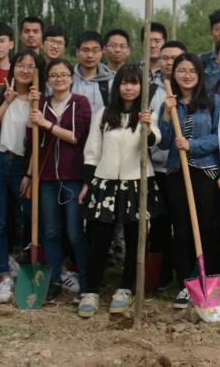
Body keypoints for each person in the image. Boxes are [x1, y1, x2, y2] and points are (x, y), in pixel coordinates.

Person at [76, 64, 161, 318]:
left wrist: (147, 126)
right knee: (99, 240)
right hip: (106, 182)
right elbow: (92, 151)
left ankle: (125, 289)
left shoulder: (147, 115)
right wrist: (87, 183)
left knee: (135, 240)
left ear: (141, 87)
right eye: (125, 82)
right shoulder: (103, 114)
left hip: (137, 183)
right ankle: (90, 290)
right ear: (117, 86)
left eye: (134, 83)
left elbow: (153, 140)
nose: (129, 88)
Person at [159, 53, 220, 311]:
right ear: (174, 74)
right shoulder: (169, 103)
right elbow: (164, 143)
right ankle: (185, 283)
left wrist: (192, 145)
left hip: (204, 172)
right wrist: (167, 114)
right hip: (177, 172)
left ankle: (205, 277)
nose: (186, 76)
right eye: (181, 71)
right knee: (182, 230)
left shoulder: (213, 101)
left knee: (206, 228)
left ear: (199, 75)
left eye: (192, 71)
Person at [0, 48, 43, 304]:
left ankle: (28, 266)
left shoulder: (40, 99)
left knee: (30, 216)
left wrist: (29, 173)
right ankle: (4, 275)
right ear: (13, 67)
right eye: (20, 65)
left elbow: (38, 140)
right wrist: (7, 102)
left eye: (31, 66)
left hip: (22, 167)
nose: (25, 70)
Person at [26, 58, 92, 302]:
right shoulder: (41, 104)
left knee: (74, 232)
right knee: (51, 232)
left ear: (71, 78)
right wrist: (32, 111)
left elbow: (75, 136)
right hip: (46, 178)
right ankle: (52, 281)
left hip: (73, 176)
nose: (59, 79)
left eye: (64, 75)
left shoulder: (80, 103)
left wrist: (46, 123)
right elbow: (31, 138)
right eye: (54, 75)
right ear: (48, 80)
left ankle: (86, 281)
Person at [147, 39, 185, 293]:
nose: (170, 62)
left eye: (175, 58)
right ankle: (160, 274)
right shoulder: (150, 89)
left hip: (182, 167)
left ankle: (182, 272)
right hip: (156, 167)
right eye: (165, 58)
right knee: (159, 223)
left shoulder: (192, 87)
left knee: (181, 222)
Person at [72, 31, 114, 115]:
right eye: (85, 50)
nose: (90, 55)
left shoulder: (111, 82)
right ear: (77, 52)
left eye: (95, 50)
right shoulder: (68, 78)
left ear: (102, 51)